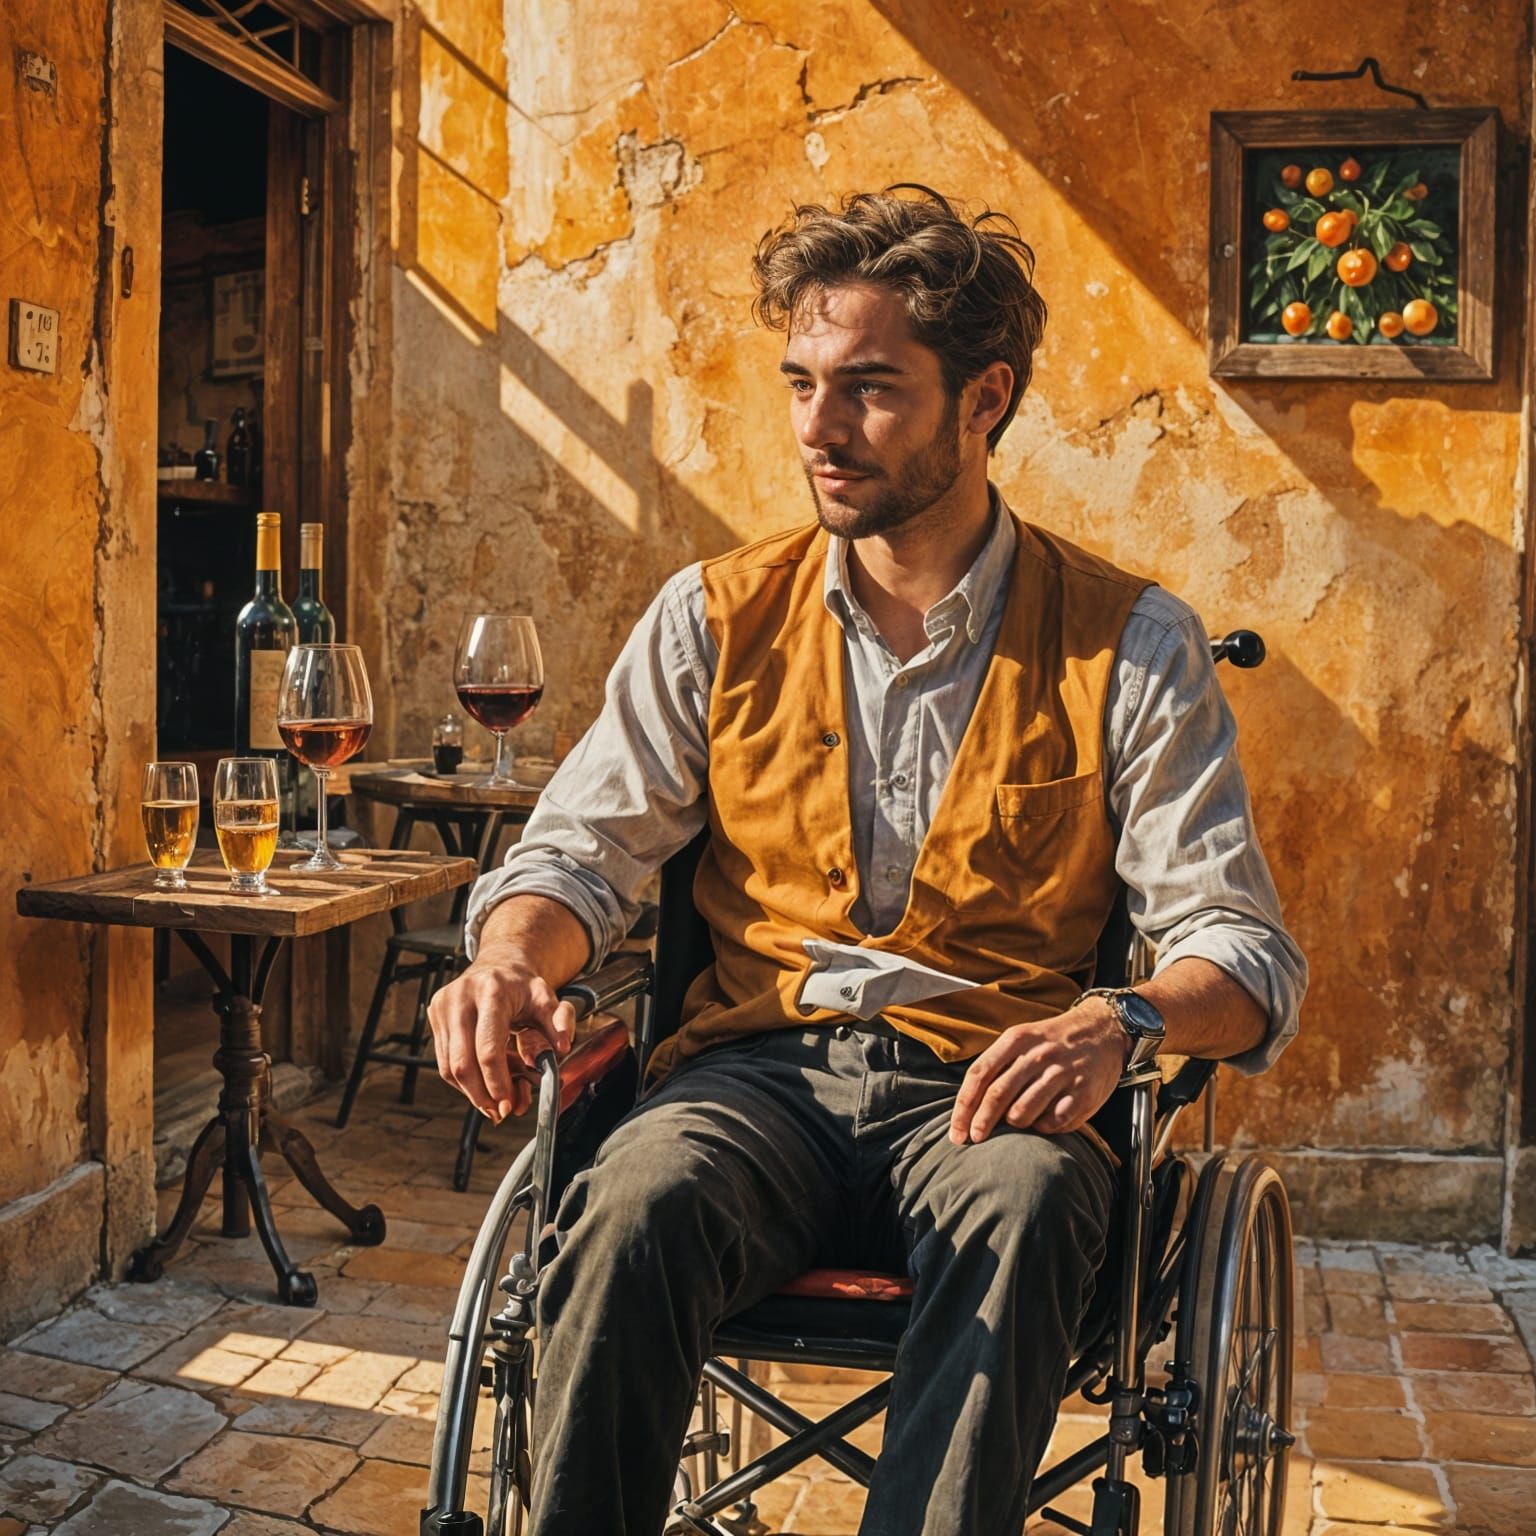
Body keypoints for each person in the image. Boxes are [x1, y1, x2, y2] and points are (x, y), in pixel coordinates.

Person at [428, 185, 1306, 1536]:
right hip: (753, 1079)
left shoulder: (1130, 641)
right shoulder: (713, 618)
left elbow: (1239, 951)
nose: (820, 431)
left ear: (984, 398)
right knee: (631, 1197)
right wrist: (505, 956)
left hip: (992, 1091)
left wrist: (1122, 1019)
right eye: (802, 384)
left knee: (1023, 1206)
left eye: (871, 391)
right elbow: (581, 857)